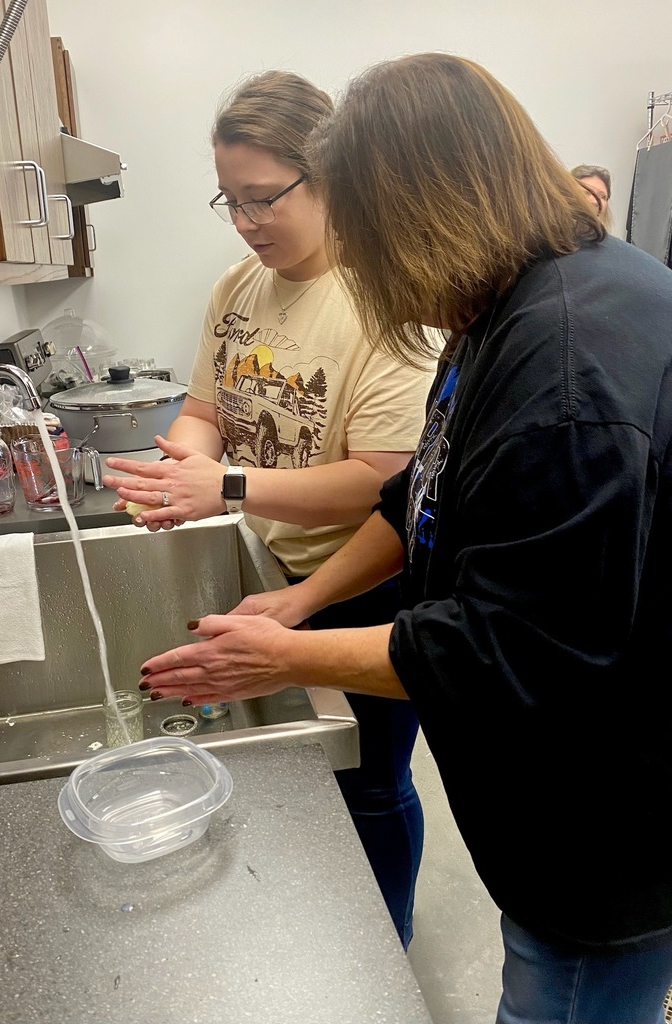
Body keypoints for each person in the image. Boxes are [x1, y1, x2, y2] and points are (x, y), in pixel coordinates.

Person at [137, 54, 672, 1024]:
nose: (369, 273)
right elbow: (418, 488)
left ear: (423, 215)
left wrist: (281, 657)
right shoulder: (505, 302)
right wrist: (297, 601)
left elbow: (501, 651)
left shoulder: (564, 375)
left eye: (370, 243)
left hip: (605, 834)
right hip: (556, 793)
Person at [102, 71, 435, 949]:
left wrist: (229, 488)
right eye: (230, 200)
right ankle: (318, 931)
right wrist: (183, 469)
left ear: (328, 179)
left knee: (368, 778)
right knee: (300, 771)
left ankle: (381, 945)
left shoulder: (388, 301)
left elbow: (381, 482)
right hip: (268, 558)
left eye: (264, 199)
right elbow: (208, 411)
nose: (247, 223)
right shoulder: (238, 288)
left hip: (365, 579)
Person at [571, 163, 612, 228]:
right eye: (587, 193)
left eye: (602, 197)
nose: (595, 202)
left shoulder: (609, 238)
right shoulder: (551, 236)